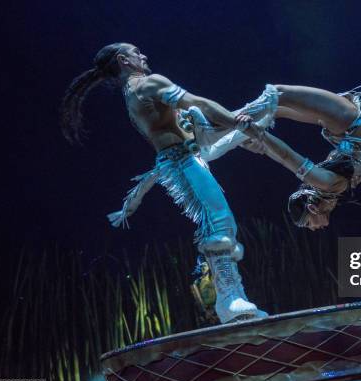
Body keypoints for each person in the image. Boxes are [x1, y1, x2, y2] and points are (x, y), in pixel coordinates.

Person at [59, 42, 269, 323]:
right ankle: (229, 299)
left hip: (185, 156)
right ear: (125, 60)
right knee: (219, 222)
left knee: (265, 109)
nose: (143, 55)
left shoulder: (131, 94)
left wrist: (237, 134)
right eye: (137, 52)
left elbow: (187, 125)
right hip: (182, 160)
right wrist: (237, 123)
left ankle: (232, 298)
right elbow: (200, 103)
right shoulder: (148, 84)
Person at [189, 71, 361, 230]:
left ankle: (209, 128)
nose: (315, 228)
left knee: (277, 98)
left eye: (308, 224)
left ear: (312, 210)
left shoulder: (324, 184)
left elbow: (285, 156)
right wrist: (255, 138)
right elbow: (283, 155)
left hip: (344, 118)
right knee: (276, 106)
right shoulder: (332, 189)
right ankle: (211, 131)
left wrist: (256, 137)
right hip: (344, 119)